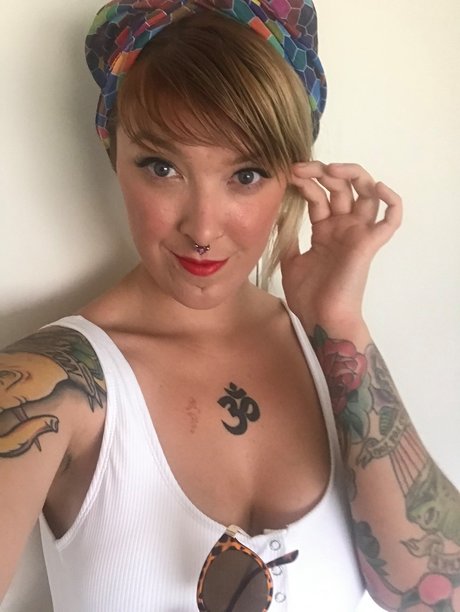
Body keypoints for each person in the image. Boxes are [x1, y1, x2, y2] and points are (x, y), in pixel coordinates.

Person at [1, 0, 459, 610]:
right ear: (115, 159)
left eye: (245, 174)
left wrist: (337, 320)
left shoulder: (326, 352)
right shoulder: (45, 387)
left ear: (293, 178)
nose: (202, 228)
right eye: (162, 167)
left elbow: (435, 593)